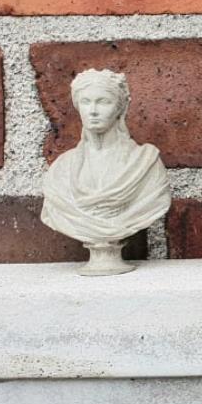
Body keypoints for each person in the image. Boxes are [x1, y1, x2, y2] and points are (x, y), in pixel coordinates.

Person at [42, 68, 170, 268]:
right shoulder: (61, 170)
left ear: (120, 108)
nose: (93, 110)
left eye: (103, 102)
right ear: (77, 106)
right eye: (86, 102)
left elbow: (155, 202)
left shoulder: (146, 163)